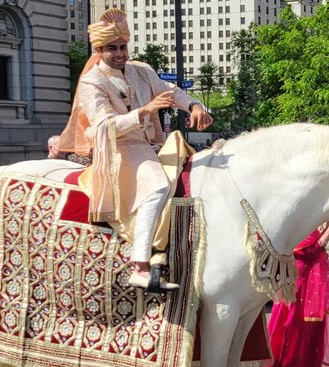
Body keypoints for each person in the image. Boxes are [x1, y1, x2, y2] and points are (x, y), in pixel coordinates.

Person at [58, 8, 213, 292]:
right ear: (99, 49)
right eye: (111, 48)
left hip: (150, 145)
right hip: (120, 150)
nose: (119, 53)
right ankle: (140, 265)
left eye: (122, 46)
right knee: (156, 186)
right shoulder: (92, 82)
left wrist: (195, 105)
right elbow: (105, 126)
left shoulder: (141, 70)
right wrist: (145, 111)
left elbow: (170, 90)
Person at [251, 215, 329, 367]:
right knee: (285, 329)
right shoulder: (298, 216)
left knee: (314, 330)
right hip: (295, 281)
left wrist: (327, 223)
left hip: (315, 279)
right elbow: (308, 252)